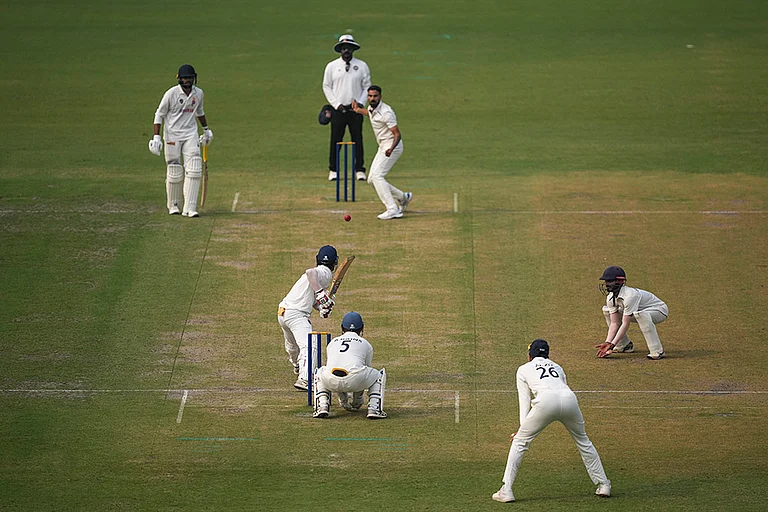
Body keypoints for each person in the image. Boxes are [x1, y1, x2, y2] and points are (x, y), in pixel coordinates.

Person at [492, 339, 611, 503]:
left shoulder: (523, 369)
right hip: (569, 399)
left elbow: (524, 400)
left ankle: (506, 490)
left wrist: (521, 429)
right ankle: (604, 484)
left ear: (530, 355)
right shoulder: (558, 367)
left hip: (546, 401)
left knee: (520, 442)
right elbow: (562, 388)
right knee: (583, 441)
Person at [148, 64, 214, 217]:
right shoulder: (171, 94)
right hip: (172, 135)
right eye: (185, 78)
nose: (188, 81)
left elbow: (199, 111)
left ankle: (190, 208)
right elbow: (159, 114)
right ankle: (174, 205)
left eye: (190, 78)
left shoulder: (199, 93)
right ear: (179, 79)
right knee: (175, 170)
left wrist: (206, 130)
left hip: (190, 134)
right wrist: (156, 136)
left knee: (195, 168)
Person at [277, 245, 338, 391]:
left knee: (293, 345)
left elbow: (311, 298)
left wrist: (322, 307)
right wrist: (320, 293)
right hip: (297, 314)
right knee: (311, 344)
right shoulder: (325, 272)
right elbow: (310, 272)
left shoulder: (319, 277)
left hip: (283, 312)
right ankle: (305, 379)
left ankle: (298, 365)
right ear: (334, 263)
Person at [351, 86, 413, 220]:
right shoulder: (371, 108)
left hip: (392, 147)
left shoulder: (387, 112)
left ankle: (392, 209)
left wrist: (391, 148)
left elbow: (397, 134)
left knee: (378, 176)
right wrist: (357, 110)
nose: (372, 99)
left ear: (380, 97)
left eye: (375, 96)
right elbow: (370, 114)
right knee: (372, 179)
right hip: (383, 147)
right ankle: (403, 197)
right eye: (370, 96)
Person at [312, 311, 387, 419]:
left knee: (320, 372)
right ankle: (374, 408)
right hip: (356, 378)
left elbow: (337, 370)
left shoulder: (333, 342)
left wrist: (343, 401)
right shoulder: (365, 343)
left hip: (331, 380)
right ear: (362, 328)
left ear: (342, 328)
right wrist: (357, 400)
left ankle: (322, 406)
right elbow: (364, 369)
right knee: (378, 375)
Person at [322, 34, 370, 182]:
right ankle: (333, 170)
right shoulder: (332, 66)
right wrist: (336, 104)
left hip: (355, 110)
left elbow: (366, 86)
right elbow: (326, 86)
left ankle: (359, 170)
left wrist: (361, 103)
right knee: (336, 139)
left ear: (353, 49)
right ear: (340, 50)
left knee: (357, 139)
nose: (346, 51)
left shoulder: (362, 66)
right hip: (338, 110)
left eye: (348, 48)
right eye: (343, 48)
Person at [595, 266, 669, 360]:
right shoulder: (610, 298)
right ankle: (624, 345)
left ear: (620, 281)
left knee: (642, 315)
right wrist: (608, 342)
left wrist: (612, 344)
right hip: (638, 312)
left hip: (659, 310)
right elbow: (615, 323)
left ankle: (657, 351)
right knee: (607, 311)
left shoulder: (630, 296)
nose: (606, 284)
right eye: (606, 281)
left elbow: (626, 323)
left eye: (609, 281)